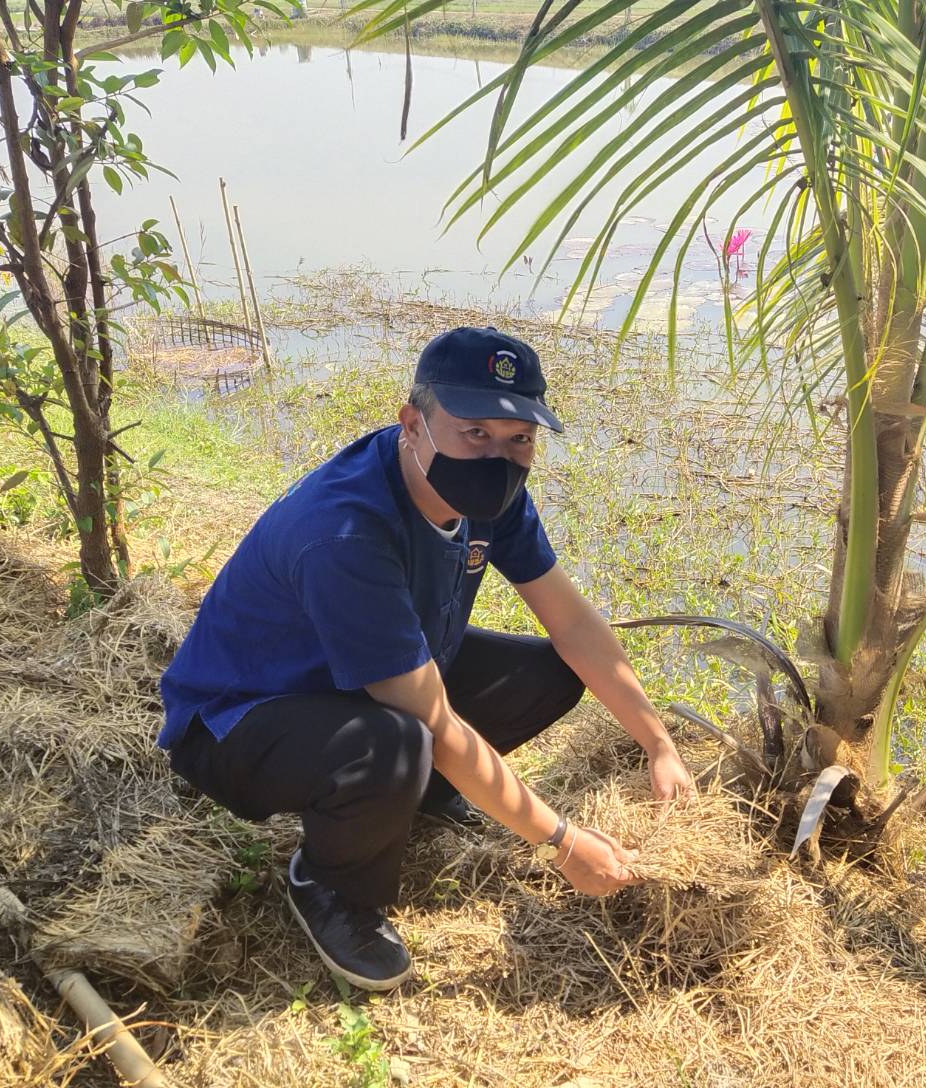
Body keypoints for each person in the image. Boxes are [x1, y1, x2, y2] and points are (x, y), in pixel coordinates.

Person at [158, 326, 695, 991]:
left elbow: (573, 622)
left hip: (364, 680)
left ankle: (418, 795)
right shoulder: (345, 531)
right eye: (474, 433)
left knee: (552, 671)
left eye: (518, 440)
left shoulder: (492, 499)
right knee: (398, 745)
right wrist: (561, 841)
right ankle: (330, 884)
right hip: (240, 724)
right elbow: (433, 724)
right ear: (412, 421)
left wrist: (658, 743)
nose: (496, 457)